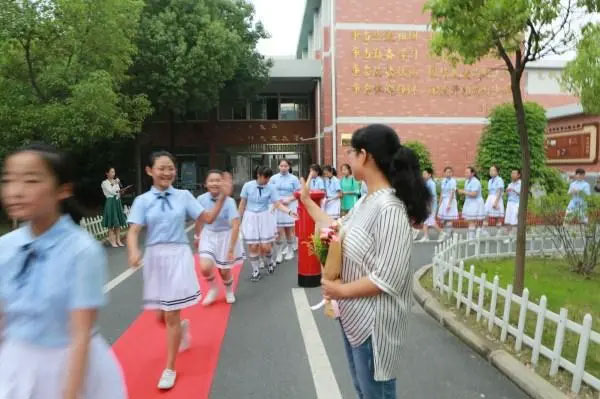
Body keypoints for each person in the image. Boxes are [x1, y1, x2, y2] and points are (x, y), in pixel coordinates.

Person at [300, 124, 430, 399]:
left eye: (351, 152)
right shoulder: (365, 201)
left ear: (365, 156)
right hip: (354, 319)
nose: (347, 158)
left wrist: (340, 291)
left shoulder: (389, 209)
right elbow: (336, 227)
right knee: (363, 392)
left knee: (376, 394)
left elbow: (389, 278)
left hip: (375, 327)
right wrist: (307, 203)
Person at [0, 143, 126, 399]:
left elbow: (80, 334)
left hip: (69, 367)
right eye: (8, 180)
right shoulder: (6, 247)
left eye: (31, 180)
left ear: (62, 190)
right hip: (16, 364)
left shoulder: (81, 250)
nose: (16, 191)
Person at [126, 150, 232, 390]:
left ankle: (170, 368)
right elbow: (133, 230)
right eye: (162, 168)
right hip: (154, 258)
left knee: (171, 314)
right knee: (160, 316)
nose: (167, 172)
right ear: (149, 171)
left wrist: (224, 198)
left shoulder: (184, 196)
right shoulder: (142, 201)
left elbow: (207, 218)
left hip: (177, 256)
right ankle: (182, 328)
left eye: (170, 168)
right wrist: (133, 251)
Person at [195, 170, 244, 306]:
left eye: (218, 180)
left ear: (222, 183)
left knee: (224, 271)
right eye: (211, 180)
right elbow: (199, 220)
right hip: (208, 234)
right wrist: (197, 235)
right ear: (206, 184)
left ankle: (228, 290)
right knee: (205, 267)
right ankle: (213, 288)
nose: (214, 183)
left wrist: (231, 249)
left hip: (226, 236)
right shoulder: (201, 199)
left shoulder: (229, 202)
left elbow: (235, 225)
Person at [238, 166, 296, 281]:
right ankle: (256, 272)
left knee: (266, 247)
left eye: (269, 177)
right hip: (250, 217)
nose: (267, 180)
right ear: (258, 175)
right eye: (265, 177)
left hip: (264, 216)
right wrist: (237, 221)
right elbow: (242, 204)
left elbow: (277, 204)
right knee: (253, 246)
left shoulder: (271, 187)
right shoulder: (247, 186)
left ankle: (270, 262)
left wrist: (289, 212)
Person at [269, 159, 301, 263]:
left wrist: (289, 199)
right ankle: (278, 253)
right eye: (281, 166)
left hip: (290, 205)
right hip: (277, 205)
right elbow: (270, 191)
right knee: (278, 231)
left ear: (289, 167)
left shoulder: (294, 178)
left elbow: (298, 193)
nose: (283, 168)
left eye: (286, 166)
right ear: (278, 166)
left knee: (289, 230)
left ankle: (290, 250)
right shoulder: (273, 178)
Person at [101, 167, 128, 247]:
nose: (113, 173)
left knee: (118, 223)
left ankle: (118, 240)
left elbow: (117, 192)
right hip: (110, 202)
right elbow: (111, 191)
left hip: (117, 201)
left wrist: (121, 191)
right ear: (107, 173)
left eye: (114, 172)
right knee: (111, 223)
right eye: (112, 172)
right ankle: (112, 241)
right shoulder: (104, 183)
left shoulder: (115, 182)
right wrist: (115, 183)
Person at [458, 166, 485, 239]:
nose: (465, 174)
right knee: (470, 220)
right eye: (465, 172)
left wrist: (463, 192)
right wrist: (463, 194)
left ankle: (472, 238)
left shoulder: (475, 181)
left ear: (472, 173)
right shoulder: (467, 181)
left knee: (472, 220)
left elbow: (474, 194)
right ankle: (477, 235)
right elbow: (467, 192)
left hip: (475, 202)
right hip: (469, 202)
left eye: (467, 172)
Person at [419, 167, 445, 242]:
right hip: (428, 205)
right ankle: (426, 236)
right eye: (423, 173)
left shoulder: (431, 184)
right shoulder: (427, 183)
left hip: (431, 206)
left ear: (429, 175)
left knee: (430, 221)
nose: (423, 175)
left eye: (425, 174)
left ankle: (442, 233)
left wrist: (429, 207)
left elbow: (432, 196)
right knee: (426, 221)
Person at [482, 165, 505, 236]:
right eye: (490, 170)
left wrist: (496, 202)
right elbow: (489, 192)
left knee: (497, 217)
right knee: (486, 214)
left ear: (497, 172)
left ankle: (499, 232)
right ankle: (484, 231)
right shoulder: (490, 181)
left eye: (493, 170)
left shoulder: (499, 180)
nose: (491, 172)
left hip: (496, 198)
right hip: (490, 198)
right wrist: (488, 201)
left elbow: (499, 191)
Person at [437, 166, 459, 236]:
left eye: (450, 172)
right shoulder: (443, 181)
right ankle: (452, 231)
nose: (448, 173)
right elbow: (442, 192)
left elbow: (452, 192)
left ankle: (448, 233)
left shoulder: (453, 181)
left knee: (449, 218)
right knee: (443, 219)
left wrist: (449, 204)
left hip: (450, 200)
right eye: (447, 172)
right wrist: (440, 203)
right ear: (444, 173)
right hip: (444, 200)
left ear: (452, 173)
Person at [503, 169, 521, 240]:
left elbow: (521, 193)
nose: (512, 175)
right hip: (509, 203)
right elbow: (507, 194)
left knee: (514, 219)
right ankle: (509, 236)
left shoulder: (521, 183)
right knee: (508, 219)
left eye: (514, 173)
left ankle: (514, 236)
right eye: (512, 173)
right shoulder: (510, 184)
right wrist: (506, 191)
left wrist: (513, 190)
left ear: (518, 175)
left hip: (517, 203)